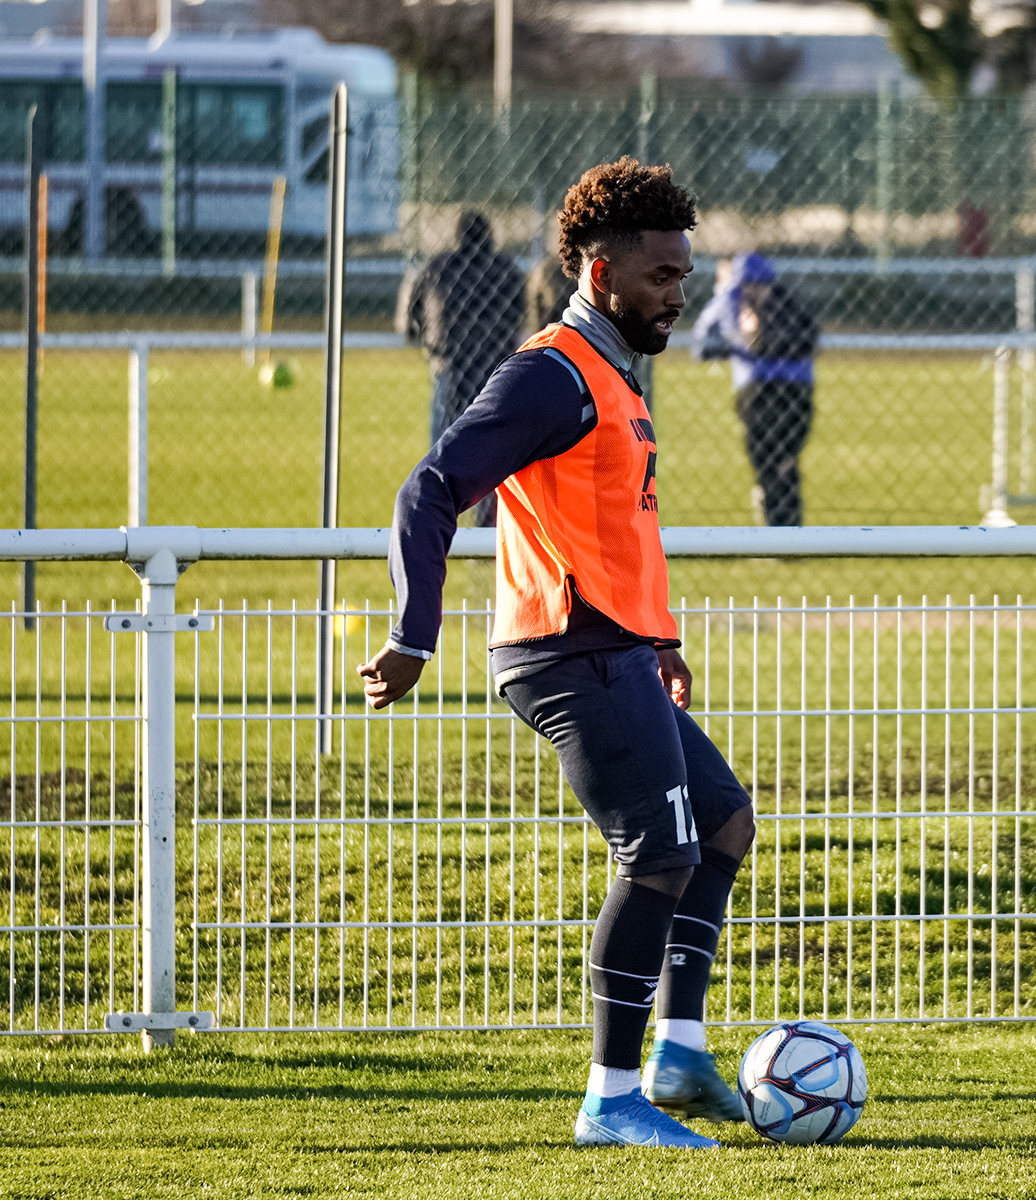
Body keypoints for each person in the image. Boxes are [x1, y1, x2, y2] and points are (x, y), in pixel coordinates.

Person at [361, 159, 754, 1150]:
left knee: (721, 822)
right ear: (598, 266)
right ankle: (611, 1100)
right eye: (662, 275)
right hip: (565, 652)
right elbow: (430, 489)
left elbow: (620, 527)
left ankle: (675, 1049)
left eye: (684, 273)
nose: (679, 292)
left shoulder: (613, 371)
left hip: (619, 651)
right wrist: (415, 634)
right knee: (656, 855)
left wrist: (660, 640)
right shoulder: (549, 373)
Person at [396, 210, 527, 526]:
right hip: (495, 369)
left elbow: (412, 317)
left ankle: (435, 518)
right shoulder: (506, 269)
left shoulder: (437, 268)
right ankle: (489, 520)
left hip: (449, 363)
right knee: (494, 448)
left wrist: (421, 337)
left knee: (443, 443)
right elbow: (519, 313)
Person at [692, 252, 818, 526]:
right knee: (786, 459)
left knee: (765, 461)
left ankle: (773, 534)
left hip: (757, 390)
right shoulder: (787, 300)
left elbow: (702, 343)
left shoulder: (730, 298)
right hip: (799, 389)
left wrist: (729, 349)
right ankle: (792, 528)